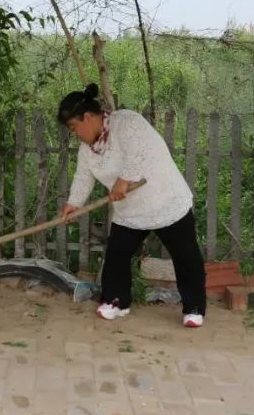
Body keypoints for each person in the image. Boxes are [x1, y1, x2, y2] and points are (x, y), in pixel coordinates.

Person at [57, 83, 207, 327]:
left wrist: (124, 180)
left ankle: (194, 308)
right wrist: (74, 203)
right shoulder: (87, 150)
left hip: (165, 199)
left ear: (87, 117)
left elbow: (138, 152)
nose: (75, 134)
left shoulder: (127, 122)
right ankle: (116, 301)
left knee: (185, 255)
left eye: (74, 127)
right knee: (117, 253)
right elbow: (83, 177)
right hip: (131, 211)